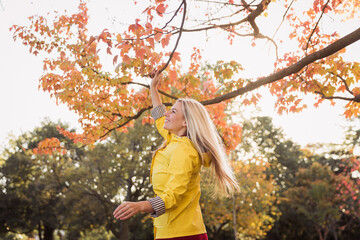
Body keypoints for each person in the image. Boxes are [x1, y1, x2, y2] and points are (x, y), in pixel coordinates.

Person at [113, 71, 239, 239]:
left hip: (183, 235)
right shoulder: (174, 139)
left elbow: (173, 195)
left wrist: (140, 206)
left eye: (172, 112)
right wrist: (153, 88)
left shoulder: (185, 151)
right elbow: (159, 117)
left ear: (185, 122)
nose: (166, 113)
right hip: (170, 232)